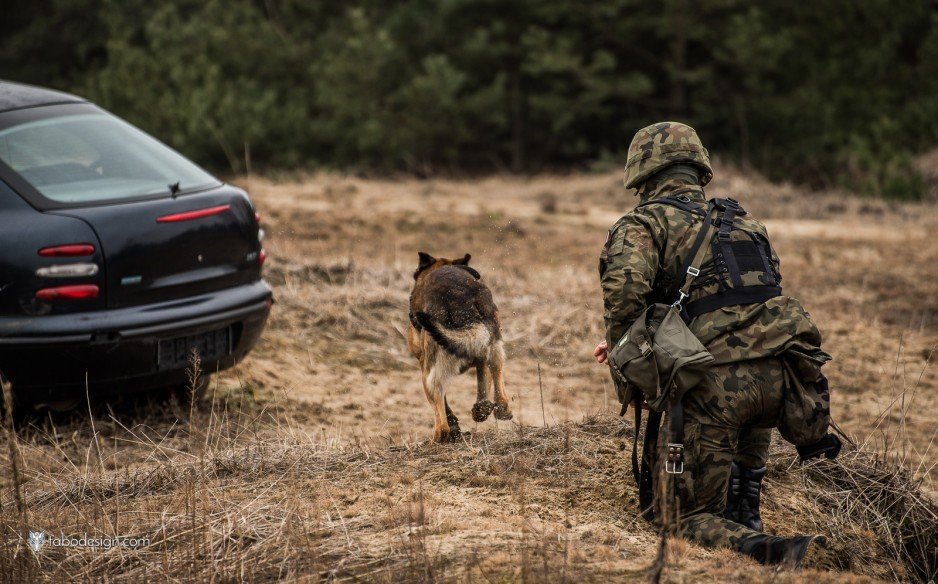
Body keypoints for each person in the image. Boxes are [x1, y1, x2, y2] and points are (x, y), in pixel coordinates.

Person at [595, 121, 842, 566]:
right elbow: (742, 297)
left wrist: (633, 379)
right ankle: (749, 522)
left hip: (714, 386)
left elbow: (623, 300)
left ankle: (776, 553)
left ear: (642, 174)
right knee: (738, 506)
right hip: (782, 378)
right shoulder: (747, 224)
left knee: (681, 517)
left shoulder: (643, 223)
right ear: (699, 169)